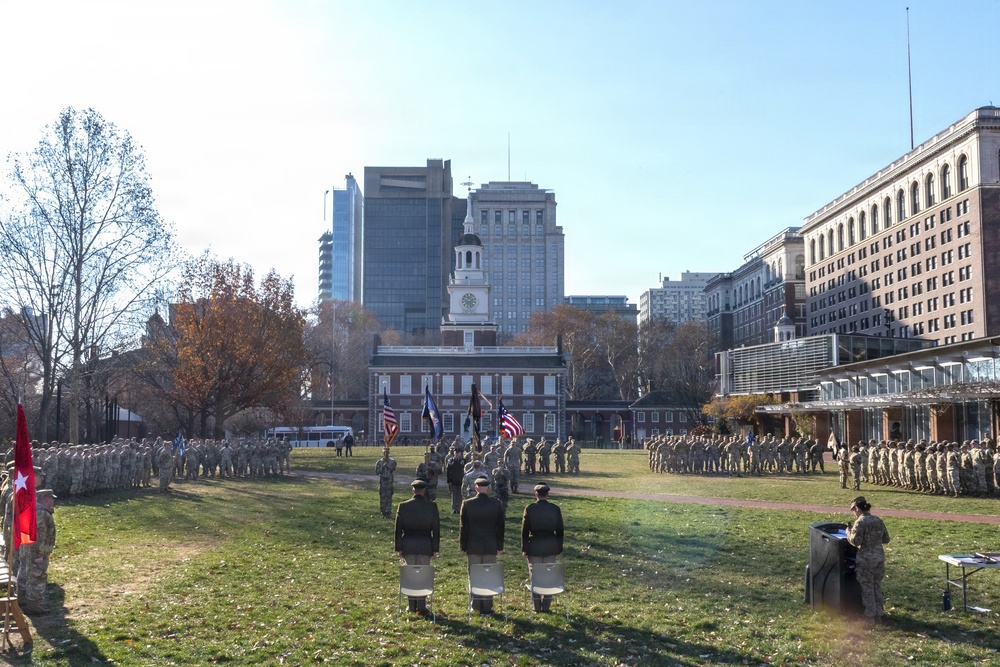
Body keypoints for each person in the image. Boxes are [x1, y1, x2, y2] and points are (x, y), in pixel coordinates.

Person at [459, 477, 505, 615]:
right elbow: (500, 527)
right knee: (488, 576)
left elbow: (463, 527)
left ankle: (475, 604)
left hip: (473, 545)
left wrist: (463, 545)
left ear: (476, 488)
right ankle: (487, 606)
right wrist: (499, 545)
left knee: (474, 575)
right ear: (488, 488)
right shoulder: (496, 504)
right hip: (490, 545)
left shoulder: (467, 504)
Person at [394, 479, 440, 614]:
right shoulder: (431, 507)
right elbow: (436, 529)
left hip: (408, 544)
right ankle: (421, 604)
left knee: (410, 575)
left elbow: (398, 530)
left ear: (413, 490)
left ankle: (411, 604)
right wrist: (435, 548)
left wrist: (399, 547)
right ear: (424, 490)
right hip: (425, 544)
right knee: (422, 575)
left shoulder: (403, 506)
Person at [847, 496, 890, 626]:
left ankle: (870, 616)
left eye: (854, 510)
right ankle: (879, 614)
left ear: (857, 508)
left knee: (867, 588)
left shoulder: (860, 522)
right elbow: (886, 539)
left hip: (866, 560)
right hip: (879, 559)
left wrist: (849, 533)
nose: (854, 513)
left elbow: (856, 541)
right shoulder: (878, 520)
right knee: (876, 585)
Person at [521, 482, 564, 612]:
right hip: (551, 545)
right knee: (548, 576)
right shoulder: (555, 509)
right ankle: (546, 606)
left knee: (535, 576)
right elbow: (560, 530)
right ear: (548, 494)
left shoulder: (530, 508)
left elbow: (524, 530)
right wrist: (559, 547)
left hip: (534, 545)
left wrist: (524, 548)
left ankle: (537, 606)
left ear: (536, 495)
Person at [18, 489, 57, 614]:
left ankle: (22, 599)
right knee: (36, 577)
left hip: (26, 548)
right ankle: (35, 606)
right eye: (51, 498)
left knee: (24, 573)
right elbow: (38, 536)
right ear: (46, 499)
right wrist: (39, 554)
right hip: (35, 551)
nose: (53, 501)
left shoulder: (33, 509)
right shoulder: (41, 513)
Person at [375, 448, 397, 518]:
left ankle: (388, 511)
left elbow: (393, 468)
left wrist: (387, 465)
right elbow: (377, 471)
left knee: (389, 496)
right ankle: (383, 511)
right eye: (384, 452)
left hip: (389, 481)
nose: (386, 454)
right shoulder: (379, 462)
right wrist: (382, 467)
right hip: (382, 481)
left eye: (387, 452)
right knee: (382, 496)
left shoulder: (392, 461)